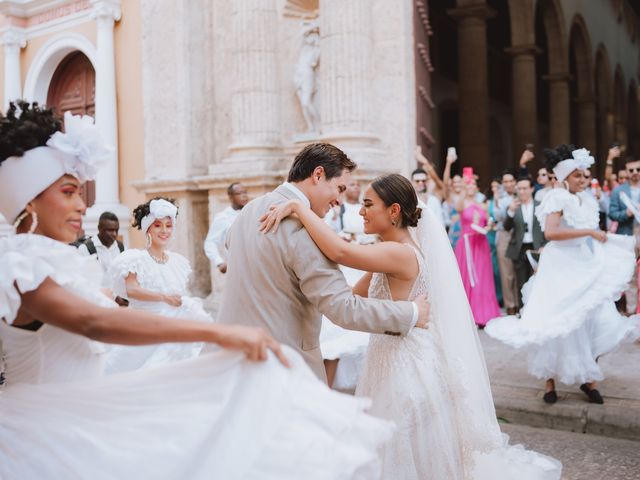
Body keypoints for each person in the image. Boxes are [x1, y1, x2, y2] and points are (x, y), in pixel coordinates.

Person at [0, 102, 396, 479]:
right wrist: (217, 332)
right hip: (45, 431)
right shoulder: (21, 267)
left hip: (82, 416)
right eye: (67, 193)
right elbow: (94, 322)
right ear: (28, 201)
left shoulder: (52, 264)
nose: (79, 206)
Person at [260, 173, 562, 479]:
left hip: (408, 368)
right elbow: (352, 295)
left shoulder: (400, 252)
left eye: (368, 204)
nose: (361, 211)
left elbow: (341, 252)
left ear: (393, 211)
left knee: (405, 448)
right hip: (387, 359)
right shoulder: (389, 250)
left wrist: (300, 210)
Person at [214, 142, 430, 381]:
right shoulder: (306, 231)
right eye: (339, 188)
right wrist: (410, 313)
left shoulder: (249, 210)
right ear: (318, 175)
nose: (339, 199)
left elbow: (232, 247)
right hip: (284, 366)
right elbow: (343, 308)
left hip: (231, 360)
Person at [487, 145, 640, 405]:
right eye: (578, 175)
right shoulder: (557, 198)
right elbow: (551, 233)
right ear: (565, 177)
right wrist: (589, 233)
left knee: (589, 318)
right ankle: (549, 382)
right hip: (560, 265)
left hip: (584, 263)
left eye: (586, 175)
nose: (583, 179)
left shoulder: (589, 199)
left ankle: (588, 379)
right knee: (556, 320)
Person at [106, 197, 214, 372]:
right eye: (158, 225)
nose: (164, 230)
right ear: (148, 228)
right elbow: (131, 290)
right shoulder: (135, 259)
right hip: (144, 328)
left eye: (168, 225)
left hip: (173, 328)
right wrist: (163, 297)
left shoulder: (177, 262)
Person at [453, 176, 501, 327]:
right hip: (467, 244)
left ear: (477, 187)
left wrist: (488, 226)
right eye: (469, 184)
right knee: (467, 277)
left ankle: (484, 314)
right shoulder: (462, 202)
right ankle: (467, 315)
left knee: (482, 277)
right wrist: (463, 187)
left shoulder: (483, 205)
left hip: (480, 244)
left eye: (473, 184)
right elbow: (458, 208)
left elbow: (488, 223)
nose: (471, 186)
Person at [504, 177, 545, 303]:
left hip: (536, 247)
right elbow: (506, 227)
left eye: (525, 188)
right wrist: (510, 212)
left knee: (537, 280)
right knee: (521, 281)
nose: (522, 192)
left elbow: (545, 228)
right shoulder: (513, 206)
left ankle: (536, 309)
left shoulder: (540, 206)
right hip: (519, 248)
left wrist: (545, 245)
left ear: (532, 189)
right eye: (519, 189)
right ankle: (522, 310)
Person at [608, 156, 640, 314]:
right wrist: (625, 213)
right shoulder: (618, 191)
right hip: (627, 235)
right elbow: (611, 213)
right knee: (630, 274)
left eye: (638, 169)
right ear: (626, 172)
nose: (635, 172)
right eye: (631, 170)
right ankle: (632, 312)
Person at [204, 182, 249, 274]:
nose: (244, 196)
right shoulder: (223, 217)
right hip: (236, 268)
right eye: (239, 193)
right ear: (230, 197)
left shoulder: (252, 213)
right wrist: (219, 262)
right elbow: (210, 243)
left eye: (245, 192)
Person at [494, 169, 520, 314]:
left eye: (511, 181)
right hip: (504, 235)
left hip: (519, 235)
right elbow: (498, 217)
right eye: (506, 182)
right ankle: (510, 305)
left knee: (519, 271)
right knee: (506, 272)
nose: (509, 184)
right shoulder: (500, 199)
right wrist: (499, 202)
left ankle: (520, 302)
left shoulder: (521, 193)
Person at [77, 211, 125, 283]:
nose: (114, 234)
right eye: (110, 230)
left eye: (116, 230)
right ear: (99, 228)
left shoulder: (122, 248)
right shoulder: (85, 249)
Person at [486, 177, 503, 305]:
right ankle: (497, 297)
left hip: (502, 233)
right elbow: (487, 218)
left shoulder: (506, 200)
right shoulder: (489, 202)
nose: (494, 189)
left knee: (502, 265)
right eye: (492, 187)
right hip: (491, 234)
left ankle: (503, 295)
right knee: (493, 266)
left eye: (497, 187)